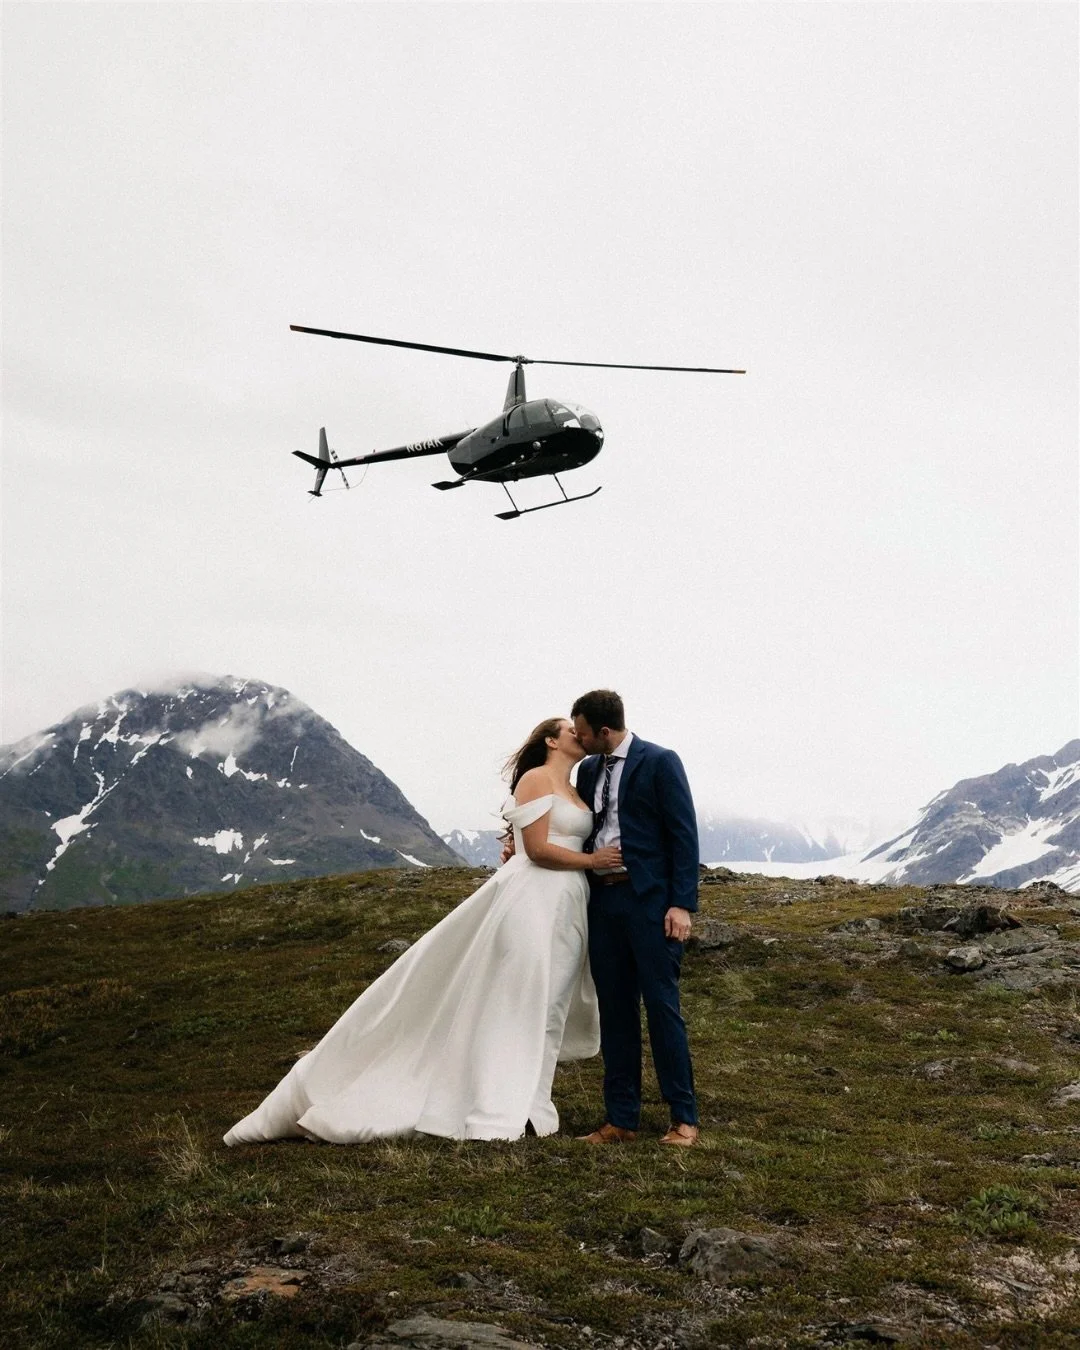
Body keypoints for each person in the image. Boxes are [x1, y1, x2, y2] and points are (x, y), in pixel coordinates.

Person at [223, 717, 621, 1146]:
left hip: (569, 904)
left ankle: (532, 1105)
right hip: (533, 900)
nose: (578, 733)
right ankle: (493, 1107)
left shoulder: (577, 788)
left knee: (550, 1006)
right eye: (568, 729)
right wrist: (592, 862)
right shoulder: (536, 778)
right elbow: (539, 850)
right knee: (517, 999)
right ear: (551, 740)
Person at [571, 689, 701, 1147]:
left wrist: (682, 904)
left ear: (605, 731)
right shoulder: (588, 770)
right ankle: (621, 1119)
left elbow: (684, 835)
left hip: (650, 904)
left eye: (583, 733)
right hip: (603, 903)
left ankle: (683, 1118)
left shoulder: (661, 762)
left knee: (662, 1009)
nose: (578, 740)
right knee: (615, 1011)